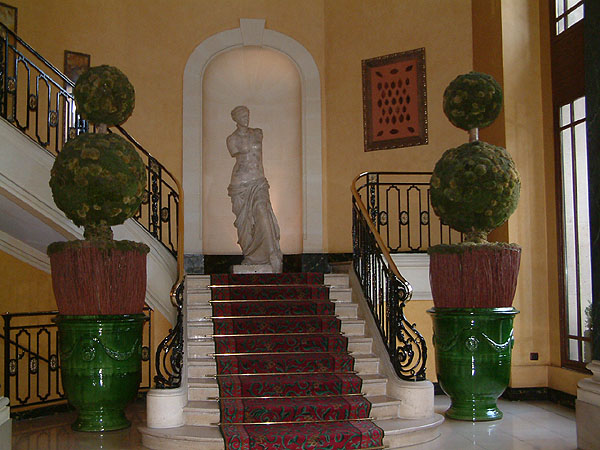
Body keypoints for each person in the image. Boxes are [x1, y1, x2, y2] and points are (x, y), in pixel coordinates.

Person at [226, 105, 283, 272]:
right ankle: (250, 255)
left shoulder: (258, 133)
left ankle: (272, 253)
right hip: (240, 184)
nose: (246, 118)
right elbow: (235, 154)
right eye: (242, 116)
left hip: (258, 181)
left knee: (262, 210)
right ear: (235, 118)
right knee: (245, 224)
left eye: (247, 115)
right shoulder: (232, 139)